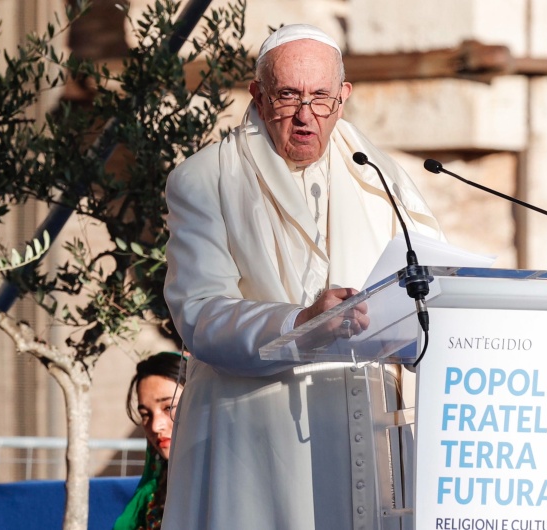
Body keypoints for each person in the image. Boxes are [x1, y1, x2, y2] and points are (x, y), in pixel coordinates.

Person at [162, 24, 444, 529]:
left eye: (320, 98)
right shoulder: (205, 179)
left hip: (369, 426)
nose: (305, 115)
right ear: (258, 95)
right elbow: (200, 314)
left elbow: (430, 282)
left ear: (344, 97)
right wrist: (301, 322)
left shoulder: (382, 177)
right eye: (287, 96)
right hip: (259, 433)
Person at [113, 352, 186, 530]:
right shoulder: (152, 494)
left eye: (169, 407)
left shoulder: (222, 484)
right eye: (145, 414)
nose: (155, 426)